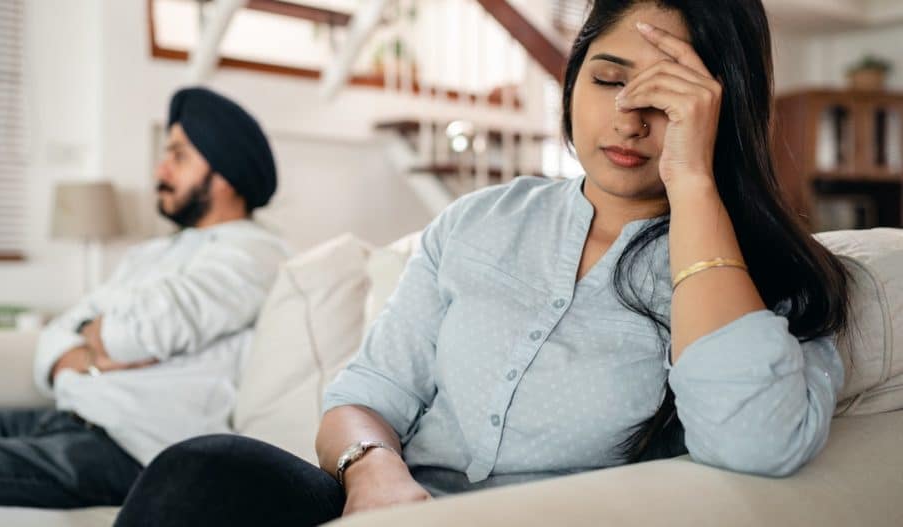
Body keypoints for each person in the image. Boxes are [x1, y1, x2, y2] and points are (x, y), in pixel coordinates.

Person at [113, 2, 851, 526]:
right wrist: (374, 471)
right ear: (572, 81)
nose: (628, 116)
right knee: (198, 470)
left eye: (668, 97)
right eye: (607, 78)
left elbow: (755, 440)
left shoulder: (760, 277)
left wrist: (693, 182)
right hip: (380, 503)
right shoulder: (478, 221)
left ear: (720, 108)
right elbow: (364, 396)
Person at [0, 87, 290, 513]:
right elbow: (57, 333)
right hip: (62, 418)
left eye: (178, 156)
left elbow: (132, 334)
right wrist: (91, 354)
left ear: (226, 172)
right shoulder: (154, 253)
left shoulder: (256, 253)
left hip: (124, 451)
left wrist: (99, 332)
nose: (159, 170)